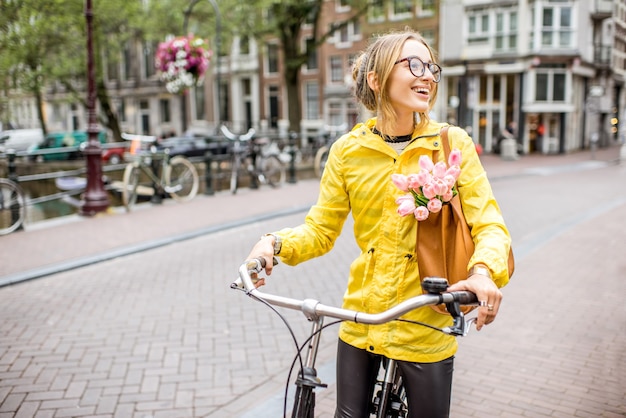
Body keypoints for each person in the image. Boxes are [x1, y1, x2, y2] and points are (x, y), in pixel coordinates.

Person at [246, 28, 512, 418]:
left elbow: (488, 223)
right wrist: (272, 244)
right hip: (361, 321)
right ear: (376, 78)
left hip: (425, 323)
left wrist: (483, 272)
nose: (427, 76)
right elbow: (320, 231)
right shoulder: (348, 151)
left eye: (431, 67)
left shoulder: (450, 144)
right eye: (414, 64)